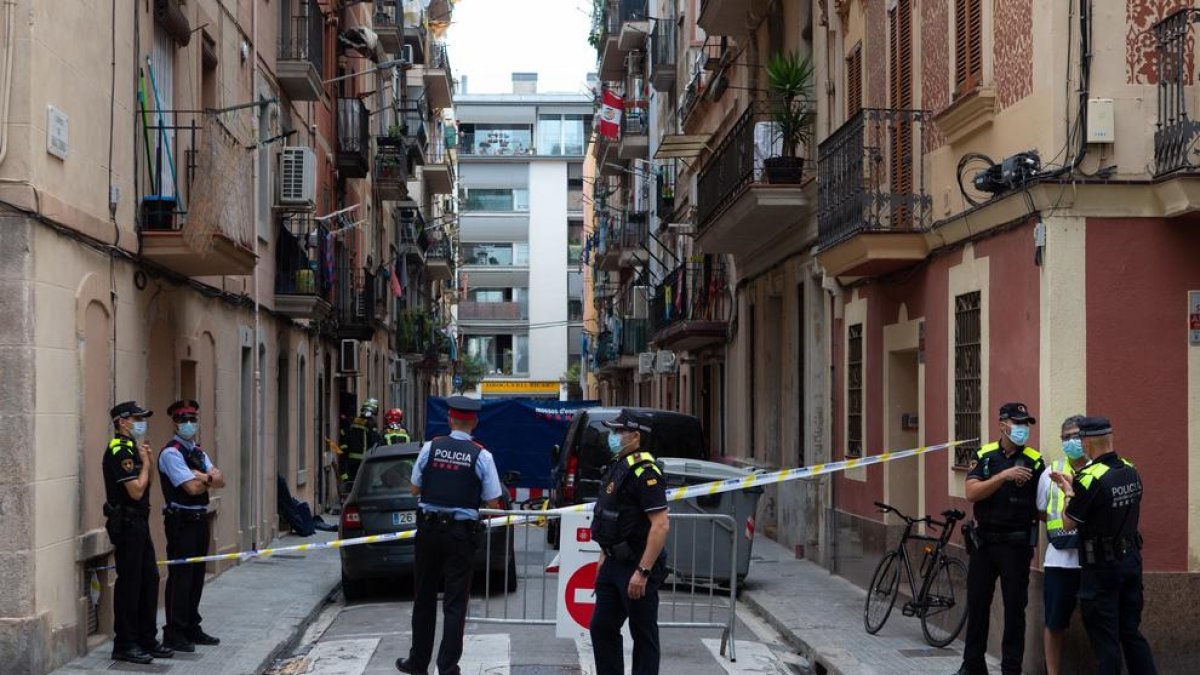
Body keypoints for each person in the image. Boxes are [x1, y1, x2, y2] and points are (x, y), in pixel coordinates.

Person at [396, 396, 503, 675]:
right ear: (474, 422)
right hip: (459, 535)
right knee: (455, 603)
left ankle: (417, 663)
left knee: (424, 598)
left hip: (429, 531)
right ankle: (447, 667)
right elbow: (493, 501)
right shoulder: (482, 455)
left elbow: (414, 489)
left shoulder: (432, 447)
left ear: (450, 420)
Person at [1052, 416, 1158, 675]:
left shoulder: (1088, 479)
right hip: (1131, 560)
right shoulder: (1130, 469)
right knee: (1131, 633)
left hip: (1102, 569)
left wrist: (1068, 490)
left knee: (1105, 643)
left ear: (1087, 444)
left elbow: (1068, 522)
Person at [953, 402, 1044, 675]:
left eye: (1026, 424)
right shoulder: (985, 455)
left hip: (1016, 546)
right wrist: (1003, 475)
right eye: (1018, 423)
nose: (1023, 429)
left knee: (1015, 610)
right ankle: (972, 666)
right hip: (984, 544)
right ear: (1002, 424)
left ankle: (1011, 669)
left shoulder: (1035, 461)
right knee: (978, 605)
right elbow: (972, 492)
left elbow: (1041, 506)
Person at [590, 409, 670, 675]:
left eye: (618, 431)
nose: (613, 436)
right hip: (613, 563)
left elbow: (660, 525)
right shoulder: (618, 465)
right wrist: (603, 556)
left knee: (643, 634)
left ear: (635, 436)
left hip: (637, 565)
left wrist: (643, 571)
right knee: (602, 627)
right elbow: (611, 517)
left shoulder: (646, 472)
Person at [103, 401, 174, 665]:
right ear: (122, 422)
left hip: (139, 524)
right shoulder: (119, 450)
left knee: (149, 580)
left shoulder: (133, 448)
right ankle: (125, 643)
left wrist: (148, 463)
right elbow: (135, 491)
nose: (140, 422)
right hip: (127, 525)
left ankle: (146, 638)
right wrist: (145, 465)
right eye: (136, 418)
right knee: (130, 585)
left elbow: (147, 483)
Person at [157, 399, 224, 652]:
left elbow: (221, 480)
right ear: (174, 422)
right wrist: (206, 477)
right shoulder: (171, 453)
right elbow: (191, 488)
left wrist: (202, 476)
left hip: (199, 520)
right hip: (180, 521)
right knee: (181, 578)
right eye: (182, 419)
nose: (188, 424)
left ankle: (191, 626)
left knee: (196, 577)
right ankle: (174, 631)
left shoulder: (198, 451)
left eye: (192, 419)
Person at [1037, 415, 1088, 675]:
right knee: (1055, 623)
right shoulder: (1050, 472)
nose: (1072, 441)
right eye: (1066, 437)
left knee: (1099, 624)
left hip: (1092, 560)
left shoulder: (1099, 471)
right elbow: (1042, 511)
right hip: (1058, 559)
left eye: (1077, 435)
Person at [339, 398, 381, 487]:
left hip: (351, 461)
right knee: (364, 484)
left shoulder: (354, 422)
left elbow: (346, 439)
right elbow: (375, 441)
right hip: (364, 460)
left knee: (354, 484)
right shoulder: (370, 424)